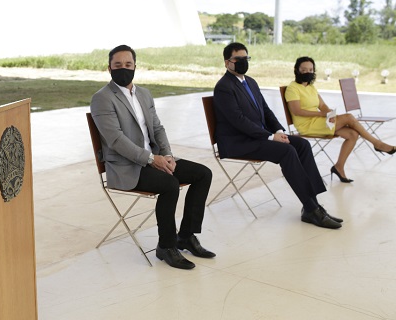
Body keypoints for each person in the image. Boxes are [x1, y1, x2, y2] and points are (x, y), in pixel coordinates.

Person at [90, 44, 214, 270]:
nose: (123, 69)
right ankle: (166, 246)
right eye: (118, 65)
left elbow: (157, 128)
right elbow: (116, 140)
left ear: (135, 66)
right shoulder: (102, 98)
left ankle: (185, 236)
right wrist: (151, 159)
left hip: (155, 159)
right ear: (109, 68)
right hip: (127, 167)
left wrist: (167, 155)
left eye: (128, 64)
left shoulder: (144, 94)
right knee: (169, 184)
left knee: (202, 174)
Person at [213, 42, 343, 230]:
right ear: (227, 63)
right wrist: (269, 136)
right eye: (238, 59)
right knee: (287, 151)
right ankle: (312, 208)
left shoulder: (250, 81)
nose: (243, 62)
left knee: (302, 145)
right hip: (237, 142)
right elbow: (238, 120)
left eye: (246, 58)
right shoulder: (224, 87)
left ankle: (312, 206)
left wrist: (279, 131)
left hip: (256, 137)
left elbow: (266, 111)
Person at [285, 56, 396, 183]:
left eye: (310, 70)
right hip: (307, 125)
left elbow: (322, 106)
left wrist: (330, 114)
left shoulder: (311, 87)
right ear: (297, 70)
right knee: (348, 117)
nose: (308, 73)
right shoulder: (292, 88)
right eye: (304, 70)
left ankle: (339, 167)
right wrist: (322, 115)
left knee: (353, 134)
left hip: (319, 121)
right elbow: (297, 111)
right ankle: (377, 144)